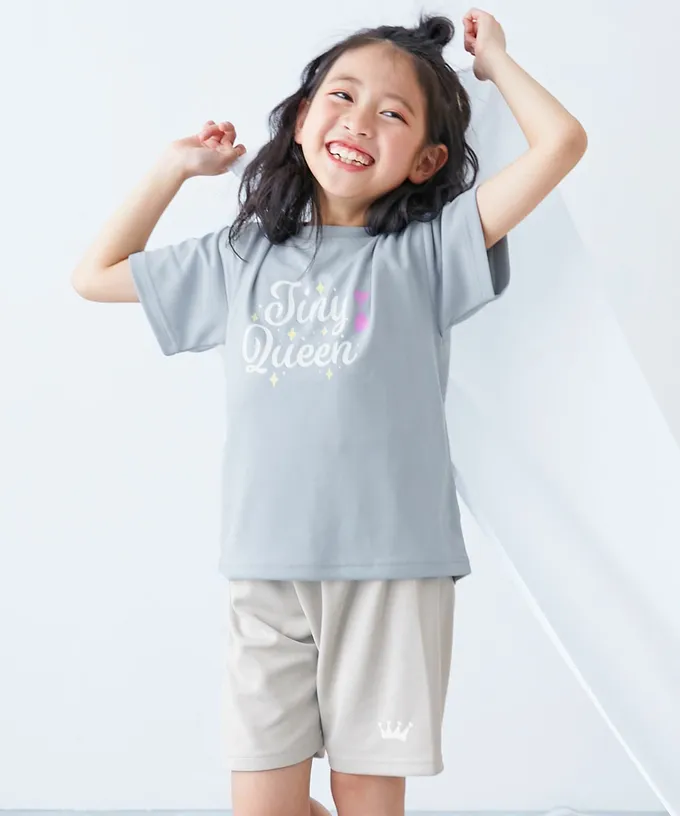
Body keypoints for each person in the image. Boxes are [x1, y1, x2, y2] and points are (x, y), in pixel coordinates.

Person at [71, 7, 587, 816]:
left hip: (390, 573)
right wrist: (176, 167)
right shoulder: (239, 257)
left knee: (364, 798)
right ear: (302, 117)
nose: (359, 121)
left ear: (427, 160)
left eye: (393, 113)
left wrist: (496, 66)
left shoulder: (428, 255)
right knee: (263, 805)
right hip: (265, 571)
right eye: (341, 96)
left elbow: (562, 144)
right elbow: (95, 274)